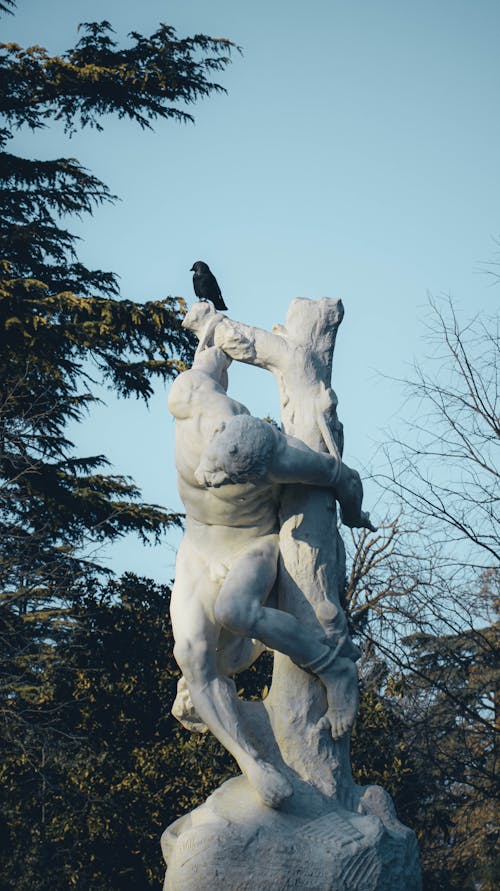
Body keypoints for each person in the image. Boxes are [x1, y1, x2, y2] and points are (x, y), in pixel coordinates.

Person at [168, 346, 372, 808]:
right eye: (212, 470)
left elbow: (346, 478)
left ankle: (334, 667)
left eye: (225, 479)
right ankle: (251, 763)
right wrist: (214, 341)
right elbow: (211, 363)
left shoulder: (284, 456)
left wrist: (355, 514)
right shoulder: (190, 398)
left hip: (251, 544)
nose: (209, 479)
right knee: (191, 651)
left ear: (262, 471)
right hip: (198, 546)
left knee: (234, 611)